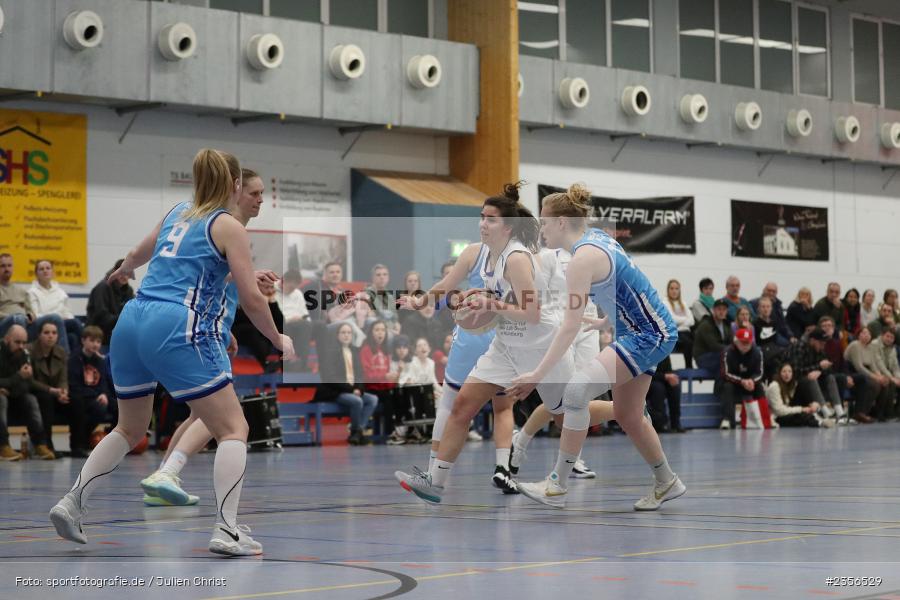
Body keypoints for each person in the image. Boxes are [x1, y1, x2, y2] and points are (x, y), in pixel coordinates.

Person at [49, 149, 293, 557]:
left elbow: (138, 253)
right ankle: (227, 529)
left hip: (131, 320)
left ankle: (72, 501)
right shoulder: (229, 225)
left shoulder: (178, 211)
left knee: (129, 428)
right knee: (234, 428)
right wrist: (277, 337)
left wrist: (123, 270)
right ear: (235, 185)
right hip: (175, 323)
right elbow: (252, 299)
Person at [508, 182, 683, 510]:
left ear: (561, 222)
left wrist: (536, 374)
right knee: (628, 415)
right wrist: (607, 320)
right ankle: (667, 481)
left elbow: (569, 327)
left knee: (575, 391)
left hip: (647, 335)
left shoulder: (580, 260)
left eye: (544, 222)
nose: (541, 230)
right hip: (645, 330)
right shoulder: (597, 240)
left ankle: (557, 484)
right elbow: (627, 282)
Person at [395, 183, 574, 504]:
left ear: (508, 227)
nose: (483, 223)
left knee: (566, 415)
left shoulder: (516, 259)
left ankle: (623, 416)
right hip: (506, 344)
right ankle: (435, 482)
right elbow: (452, 285)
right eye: (481, 217)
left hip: (541, 345)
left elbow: (532, 313)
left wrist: (491, 304)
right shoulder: (486, 255)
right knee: (462, 405)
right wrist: (422, 300)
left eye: (491, 219)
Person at [139, 168, 282, 508]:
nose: (260, 200)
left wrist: (226, 324)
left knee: (197, 415)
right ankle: (168, 473)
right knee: (216, 417)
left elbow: (213, 281)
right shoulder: (223, 225)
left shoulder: (229, 228)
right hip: (198, 329)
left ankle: (161, 480)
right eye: (254, 193)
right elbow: (205, 274)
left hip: (210, 326)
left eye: (263, 194)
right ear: (236, 191)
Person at [395, 236, 519, 492]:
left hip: (472, 334)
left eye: (488, 219)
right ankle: (503, 469)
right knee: (503, 407)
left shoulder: (475, 251)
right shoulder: (523, 256)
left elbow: (445, 285)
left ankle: (432, 473)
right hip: (504, 336)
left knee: (449, 404)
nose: (483, 224)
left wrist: (419, 302)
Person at [508, 246, 611, 480]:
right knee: (563, 398)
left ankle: (522, 439)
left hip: (588, 323)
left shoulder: (592, 251)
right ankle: (566, 457)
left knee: (579, 394)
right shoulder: (548, 255)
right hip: (560, 325)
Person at [313, 322, 378, 445]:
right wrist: (351, 390)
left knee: (373, 399)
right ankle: (355, 433)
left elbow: (359, 375)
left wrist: (359, 389)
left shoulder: (355, 351)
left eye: (349, 333)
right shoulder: (330, 352)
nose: (346, 335)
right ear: (337, 335)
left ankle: (358, 431)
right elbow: (330, 378)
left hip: (353, 390)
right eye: (343, 332)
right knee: (357, 401)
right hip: (336, 391)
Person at [0, 324, 54, 460]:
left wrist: (10, 386)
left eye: (24, 343)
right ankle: (3, 446)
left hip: (14, 395)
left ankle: (40, 444)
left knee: (31, 399)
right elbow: (19, 379)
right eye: (17, 342)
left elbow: (27, 384)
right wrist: (18, 377)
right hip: (3, 398)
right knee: (1, 399)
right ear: (6, 339)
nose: (21, 346)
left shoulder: (24, 354)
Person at [67, 326, 118, 452]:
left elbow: (103, 382)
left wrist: (104, 394)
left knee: (118, 407)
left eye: (98, 342)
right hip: (81, 395)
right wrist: (96, 395)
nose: (95, 344)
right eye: (92, 340)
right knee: (96, 407)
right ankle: (80, 442)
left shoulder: (100, 360)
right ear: (83, 340)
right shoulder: (74, 359)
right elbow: (74, 384)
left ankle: (113, 439)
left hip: (97, 395)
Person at [781, 328, 845, 421]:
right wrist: (818, 367)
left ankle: (839, 411)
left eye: (824, 343)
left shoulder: (820, 349)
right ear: (812, 340)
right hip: (794, 381)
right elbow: (795, 371)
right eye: (821, 343)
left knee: (830, 377)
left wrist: (819, 370)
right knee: (811, 379)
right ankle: (825, 412)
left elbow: (828, 368)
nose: (823, 346)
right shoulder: (799, 347)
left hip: (810, 379)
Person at [28, 321, 70, 455]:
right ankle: (47, 444)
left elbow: (63, 378)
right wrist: (51, 390)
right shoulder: (29, 350)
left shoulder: (61, 352)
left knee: (76, 400)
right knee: (46, 399)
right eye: (46, 333)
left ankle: (78, 445)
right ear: (39, 335)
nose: (50, 336)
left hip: (55, 392)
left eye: (54, 333)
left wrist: (63, 391)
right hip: (36, 391)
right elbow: (30, 381)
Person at [718, 328, 766, 430]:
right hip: (733, 383)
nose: (745, 345)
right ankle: (727, 419)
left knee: (759, 387)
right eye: (742, 342)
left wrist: (752, 381)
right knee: (727, 387)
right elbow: (725, 373)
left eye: (747, 343)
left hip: (749, 384)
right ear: (736, 341)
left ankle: (763, 417)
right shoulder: (727, 352)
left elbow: (760, 373)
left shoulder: (758, 352)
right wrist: (741, 381)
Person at [26, 260, 76, 354]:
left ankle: (82, 359)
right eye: (41, 269)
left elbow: (68, 313)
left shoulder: (60, 292)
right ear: (36, 274)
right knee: (56, 318)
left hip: (60, 323)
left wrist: (64, 317)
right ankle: (64, 357)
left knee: (74, 329)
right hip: (40, 325)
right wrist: (56, 316)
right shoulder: (31, 292)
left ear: (52, 272)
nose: (45, 271)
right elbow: (35, 315)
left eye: (48, 268)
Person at [845, 327, 893, 422]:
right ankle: (860, 412)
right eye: (863, 333)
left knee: (885, 383)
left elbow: (873, 365)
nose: (866, 335)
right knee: (874, 384)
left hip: (865, 373)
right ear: (858, 335)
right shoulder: (855, 345)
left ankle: (878, 413)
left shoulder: (870, 347)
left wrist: (880, 377)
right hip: (852, 373)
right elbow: (859, 367)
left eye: (868, 333)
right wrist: (875, 377)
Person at [87, 259, 135, 344]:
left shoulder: (129, 291)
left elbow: (132, 312)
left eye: (128, 274)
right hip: (99, 332)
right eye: (122, 273)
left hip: (117, 330)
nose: (125, 277)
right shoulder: (102, 287)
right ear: (115, 271)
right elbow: (101, 317)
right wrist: (123, 319)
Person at [766, 363, 826, 428]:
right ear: (779, 374)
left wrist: (812, 403)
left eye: (789, 371)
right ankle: (819, 422)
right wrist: (801, 409)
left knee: (804, 382)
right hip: (778, 417)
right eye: (784, 371)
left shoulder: (791, 385)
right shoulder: (774, 386)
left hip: (788, 410)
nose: (787, 374)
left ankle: (815, 410)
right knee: (799, 416)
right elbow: (780, 411)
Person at [280, 269, 312, 372]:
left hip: (298, 324)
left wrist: (303, 320)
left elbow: (305, 314)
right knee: (287, 326)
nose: (292, 290)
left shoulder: (297, 293)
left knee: (314, 325)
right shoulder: (270, 291)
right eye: (290, 287)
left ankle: (303, 361)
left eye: (295, 288)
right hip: (282, 323)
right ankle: (291, 361)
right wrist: (289, 320)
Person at [0, 254, 36, 338]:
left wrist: (29, 317)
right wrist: (14, 316)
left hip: (24, 321)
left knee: (52, 320)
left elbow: (30, 311)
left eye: (9, 266)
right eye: (3, 266)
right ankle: (22, 345)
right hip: (3, 324)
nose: (7, 269)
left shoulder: (21, 290)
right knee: (17, 318)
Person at [692, 299, 733, 373]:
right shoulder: (706, 325)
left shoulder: (726, 325)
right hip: (704, 357)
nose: (721, 312)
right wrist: (732, 349)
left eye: (724, 309)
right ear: (713, 310)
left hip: (719, 355)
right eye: (719, 309)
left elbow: (731, 341)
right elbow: (714, 346)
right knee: (725, 364)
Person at [646, 356, 684, 433]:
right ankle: (659, 423)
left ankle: (675, 423)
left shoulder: (664, 352)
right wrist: (664, 376)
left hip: (661, 379)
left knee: (675, 387)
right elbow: (644, 373)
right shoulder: (644, 352)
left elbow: (668, 371)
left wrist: (671, 377)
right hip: (646, 381)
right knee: (658, 388)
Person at [753, 296, 788, 376]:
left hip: (773, 348)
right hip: (761, 349)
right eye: (763, 307)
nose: (766, 309)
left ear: (771, 308)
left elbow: (775, 340)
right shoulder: (755, 323)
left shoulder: (774, 322)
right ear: (759, 308)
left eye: (768, 307)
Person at [871, 328, 900, 418]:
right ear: (882, 335)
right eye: (887, 336)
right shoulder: (875, 344)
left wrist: (898, 378)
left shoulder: (893, 348)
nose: (889, 339)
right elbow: (879, 363)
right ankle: (884, 413)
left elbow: (895, 366)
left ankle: (896, 412)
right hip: (876, 372)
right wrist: (892, 378)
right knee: (889, 383)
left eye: (892, 337)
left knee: (896, 382)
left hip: (888, 374)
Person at [665, 279, 694, 367]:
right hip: (676, 333)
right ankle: (689, 367)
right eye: (672, 288)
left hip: (687, 332)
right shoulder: (665, 302)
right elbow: (672, 320)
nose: (674, 291)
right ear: (668, 290)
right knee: (688, 342)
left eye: (676, 288)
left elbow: (692, 321)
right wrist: (685, 319)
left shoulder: (683, 303)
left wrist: (680, 322)